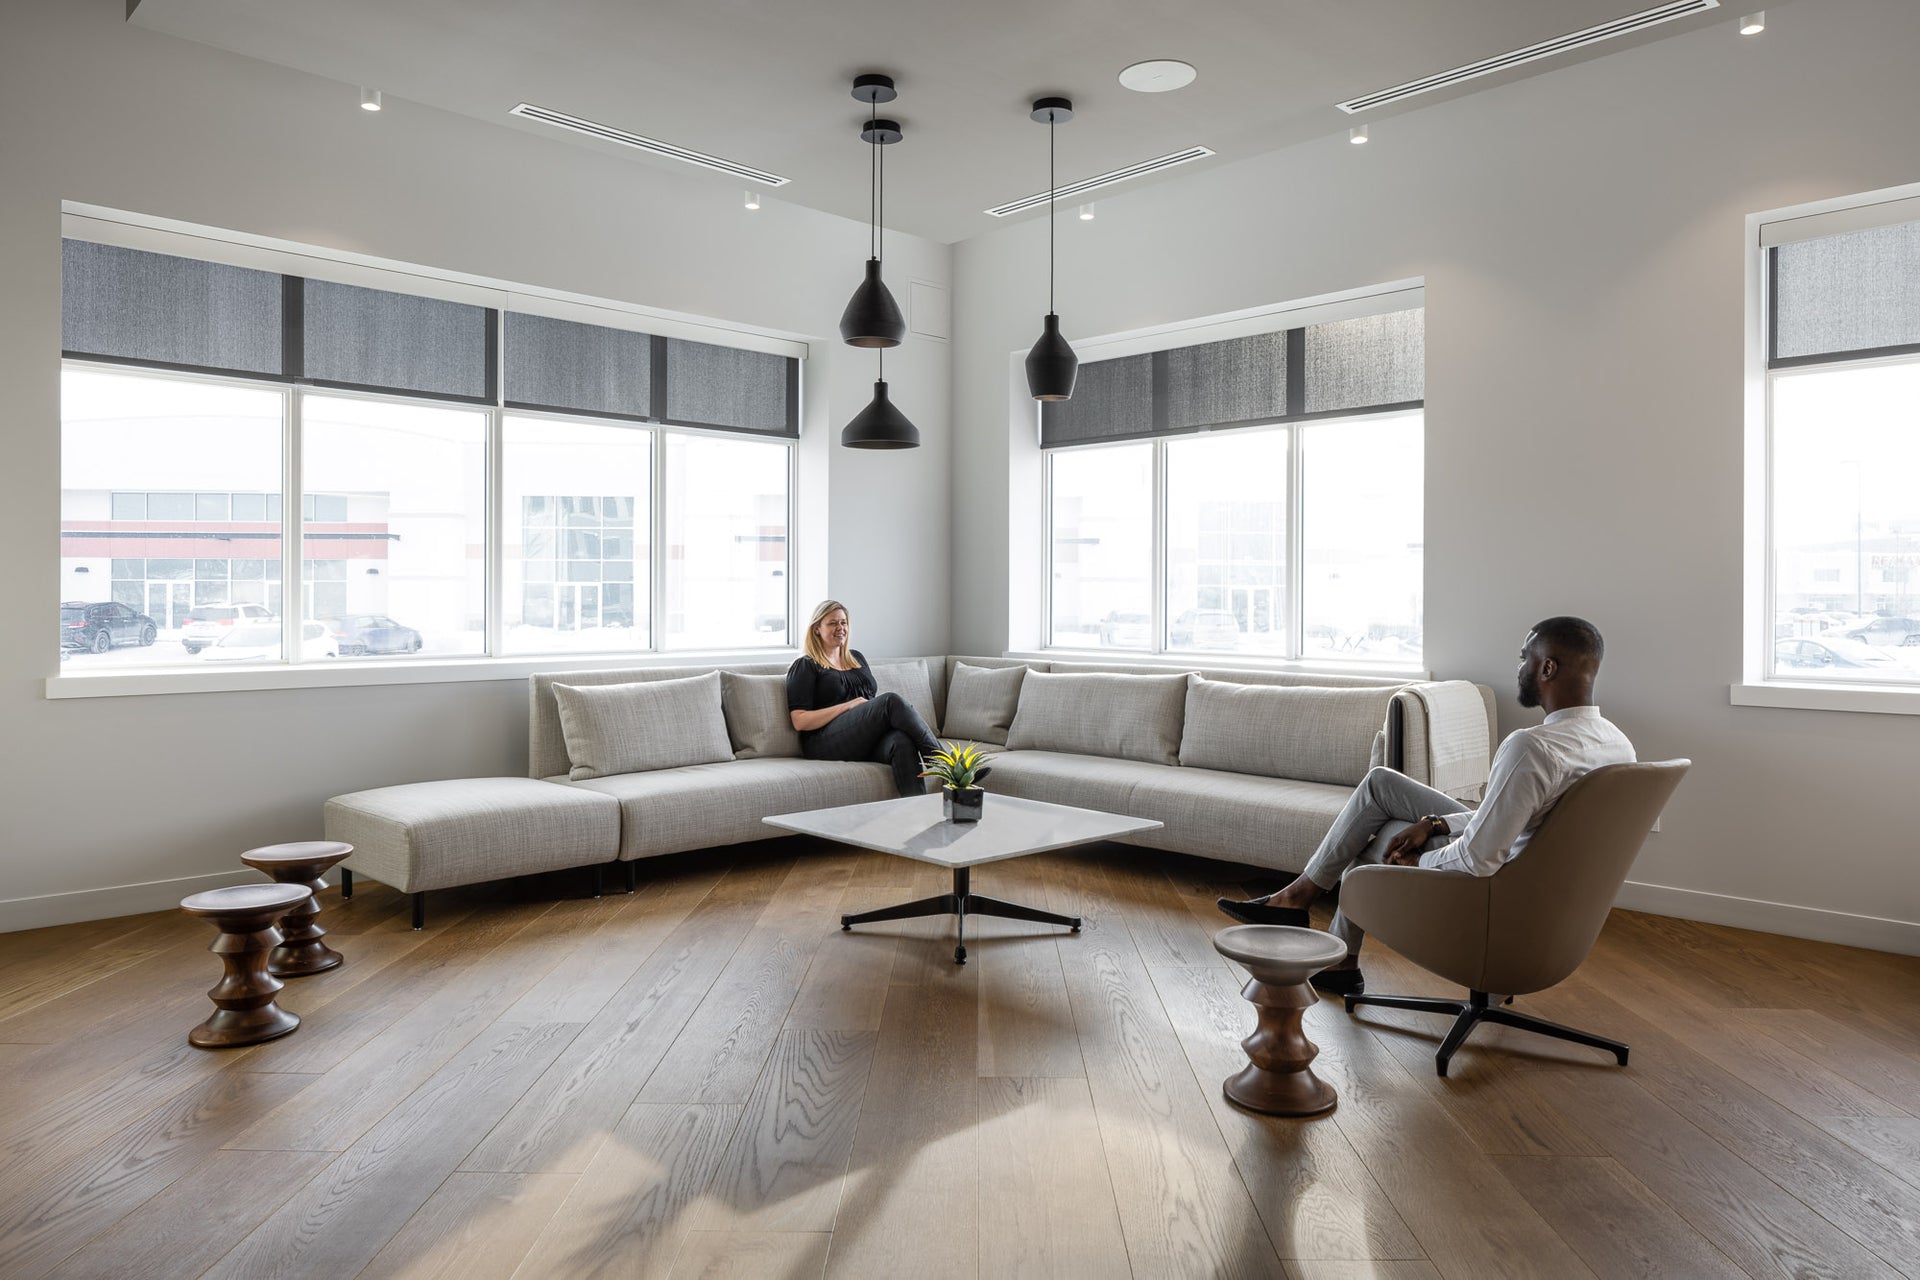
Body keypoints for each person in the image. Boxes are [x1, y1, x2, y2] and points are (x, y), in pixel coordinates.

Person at [1217, 616, 1636, 995]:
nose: (1519, 668)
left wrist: (1414, 863)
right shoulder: (1617, 743)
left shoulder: (1532, 747)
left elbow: (1479, 858)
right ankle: (1304, 910)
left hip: (1502, 883)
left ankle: (1320, 932)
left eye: (1525, 658)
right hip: (1542, 886)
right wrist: (1435, 823)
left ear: (1547, 669)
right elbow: (1520, 816)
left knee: (1372, 837)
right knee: (1381, 784)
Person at [786, 599, 942, 797]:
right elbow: (799, 721)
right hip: (824, 741)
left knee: (901, 741)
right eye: (833, 623)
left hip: (861, 738)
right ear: (817, 628)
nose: (840, 628)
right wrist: (848, 706)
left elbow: (870, 709)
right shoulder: (805, 666)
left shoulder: (857, 658)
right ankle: (946, 763)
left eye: (843, 622)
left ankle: (915, 812)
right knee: (890, 701)